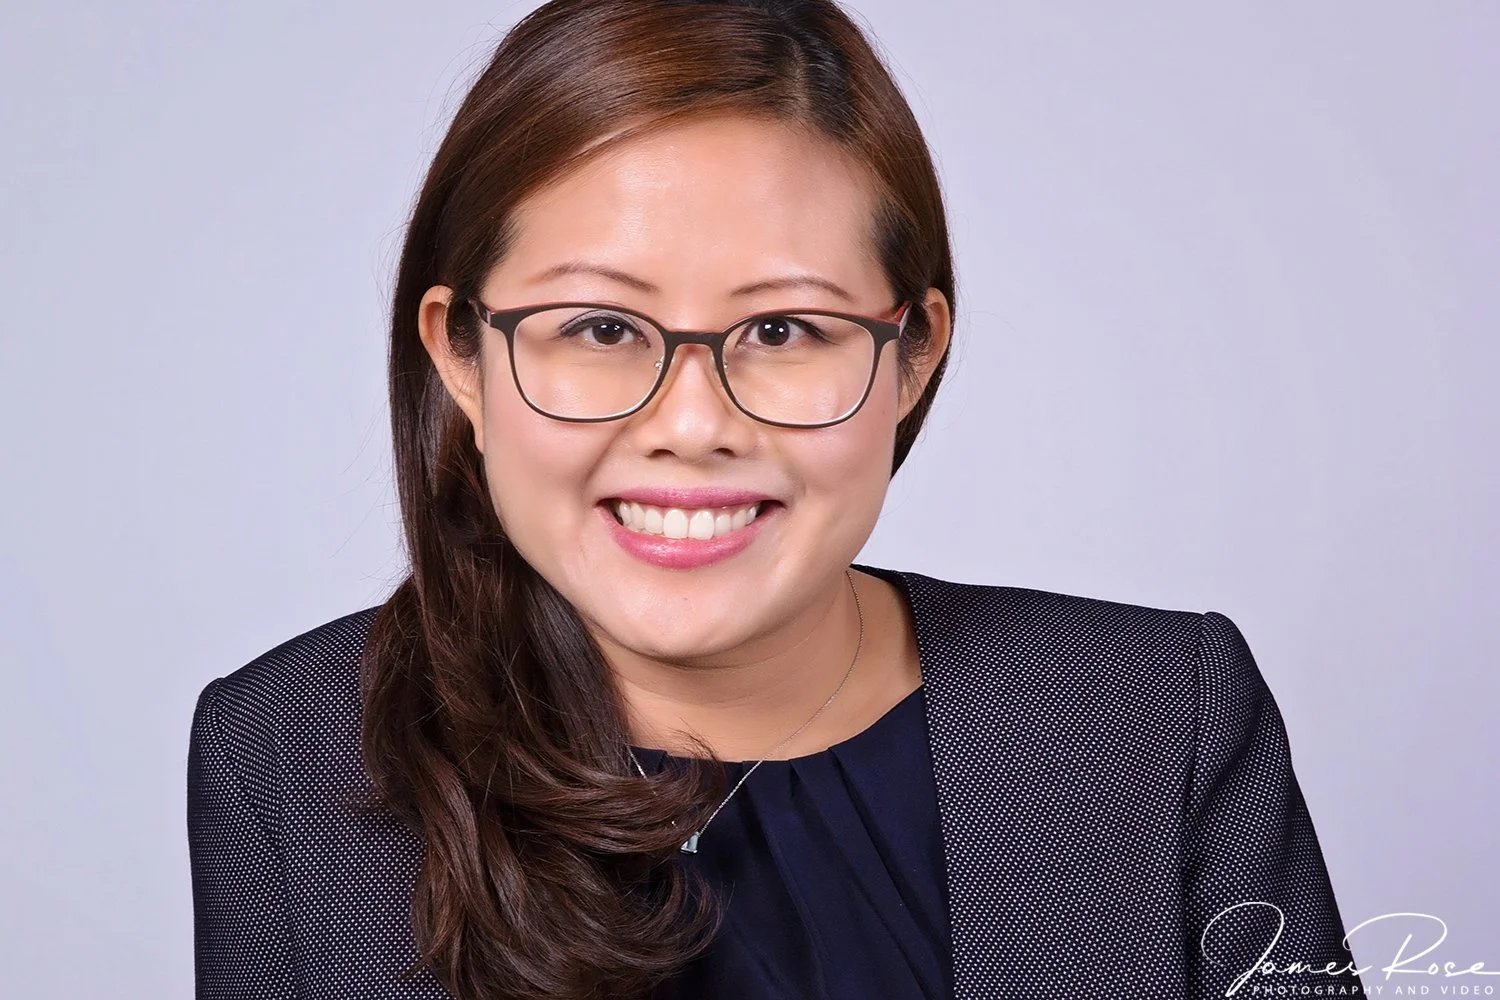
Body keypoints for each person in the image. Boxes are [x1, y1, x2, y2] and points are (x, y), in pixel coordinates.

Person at [186, 1, 1366, 997]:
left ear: (912, 357)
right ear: (461, 359)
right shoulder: (281, 756)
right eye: (599, 326)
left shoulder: (1155, 718)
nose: (693, 425)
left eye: (785, 328)